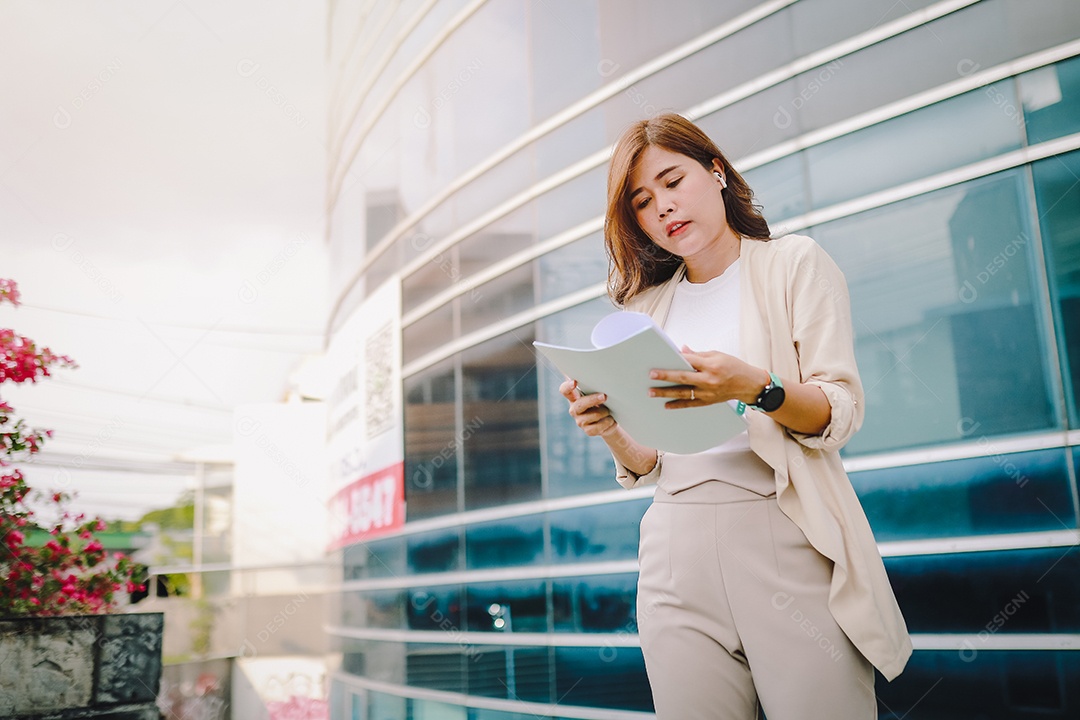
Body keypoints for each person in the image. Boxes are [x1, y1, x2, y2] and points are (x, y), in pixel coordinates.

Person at [559, 113, 911, 719]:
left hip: (783, 532)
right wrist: (611, 428)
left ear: (716, 172)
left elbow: (839, 412)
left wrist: (757, 386)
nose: (664, 207)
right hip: (674, 551)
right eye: (643, 202)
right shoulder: (646, 308)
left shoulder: (793, 263)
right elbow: (653, 463)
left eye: (674, 181)